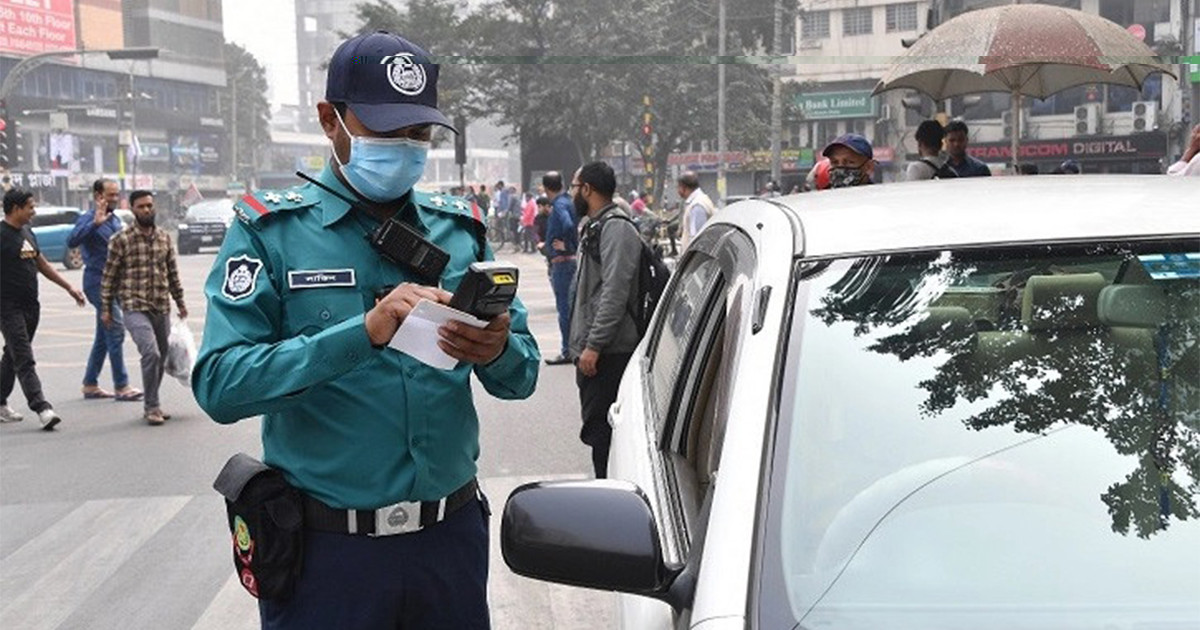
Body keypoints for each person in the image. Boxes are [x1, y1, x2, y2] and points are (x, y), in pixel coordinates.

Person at [192, 31, 539, 629]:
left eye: (418, 134)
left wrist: (498, 348)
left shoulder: (461, 231)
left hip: (447, 543)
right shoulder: (267, 232)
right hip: (329, 558)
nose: (405, 149)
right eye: (385, 131)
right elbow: (220, 385)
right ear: (331, 120)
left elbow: (523, 375)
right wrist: (363, 333)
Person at [569, 162, 641, 478]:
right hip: (596, 350)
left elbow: (615, 291)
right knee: (598, 433)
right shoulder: (596, 225)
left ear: (587, 189)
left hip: (610, 353)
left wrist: (594, 344)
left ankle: (610, 501)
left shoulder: (617, 227)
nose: (572, 193)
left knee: (605, 437)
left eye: (574, 186)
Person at [0, 189, 86, 429]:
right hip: (8, 308)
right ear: (16, 208)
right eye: (30, 207)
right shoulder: (1, 235)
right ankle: (42, 407)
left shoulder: (27, 232)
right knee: (24, 358)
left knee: (12, 355)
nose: (34, 211)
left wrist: (68, 286)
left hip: (31, 306)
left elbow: (41, 263)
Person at [101, 190, 187, 425]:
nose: (147, 210)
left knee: (160, 357)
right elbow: (109, 277)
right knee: (151, 353)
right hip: (133, 305)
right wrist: (106, 308)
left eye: (149, 205)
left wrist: (180, 302)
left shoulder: (164, 238)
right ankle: (152, 407)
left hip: (161, 305)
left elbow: (172, 273)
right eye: (141, 207)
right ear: (132, 209)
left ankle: (153, 401)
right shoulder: (121, 240)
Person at [68, 179, 142, 402]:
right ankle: (122, 385)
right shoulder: (88, 219)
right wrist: (95, 224)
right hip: (97, 284)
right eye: (110, 194)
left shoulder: (115, 220)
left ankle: (90, 384)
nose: (114, 198)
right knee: (115, 331)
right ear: (98, 196)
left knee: (103, 336)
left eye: (116, 194)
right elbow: (72, 241)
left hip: (116, 284)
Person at [542, 170, 578, 366]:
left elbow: (568, 224)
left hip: (563, 263)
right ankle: (572, 347)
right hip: (568, 261)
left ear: (546, 188)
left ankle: (567, 350)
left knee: (564, 308)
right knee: (569, 307)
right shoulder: (568, 201)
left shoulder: (559, 206)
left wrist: (567, 246)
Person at [676, 170, 714, 250]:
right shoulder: (700, 200)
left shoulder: (697, 206)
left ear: (683, 187)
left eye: (678, 187)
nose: (677, 191)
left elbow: (697, 239)